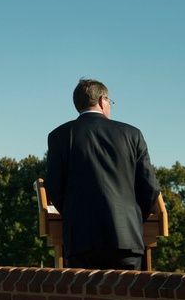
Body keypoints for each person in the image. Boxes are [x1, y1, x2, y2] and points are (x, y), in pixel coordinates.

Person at [46, 78, 161, 270]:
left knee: (84, 299)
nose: (110, 106)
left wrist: (75, 213)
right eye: (110, 102)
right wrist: (131, 217)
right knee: (127, 298)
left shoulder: (60, 136)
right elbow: (150, 187)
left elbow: (54, 187)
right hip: (126, 239)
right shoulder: (132, 134)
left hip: (80, 239)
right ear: (101, 100)